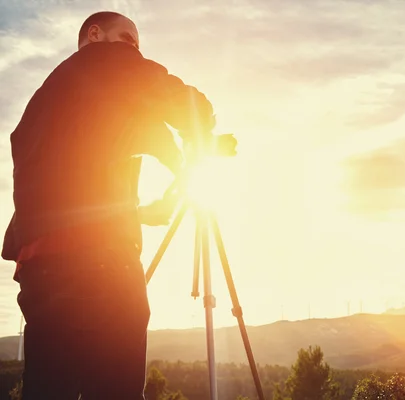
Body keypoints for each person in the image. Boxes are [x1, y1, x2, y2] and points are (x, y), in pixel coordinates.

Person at [1, 10, 235, 400]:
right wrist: (203, 129)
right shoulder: (106, 60)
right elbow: (184, 105)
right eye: (129, 40)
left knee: (48, 389)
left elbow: (144, 141)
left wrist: (158, 199)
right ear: (95, 35)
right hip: (103, 265)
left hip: (40, 273)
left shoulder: (44, 106)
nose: (135, 53)